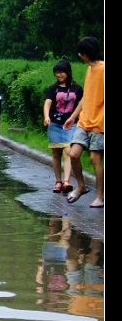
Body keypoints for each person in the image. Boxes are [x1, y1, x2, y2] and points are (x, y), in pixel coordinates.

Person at [65, 37, 104, 208]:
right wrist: (73, 116)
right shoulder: (89, 70)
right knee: (73, 155)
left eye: (81, 53)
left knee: (95, 159)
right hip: (84, 121)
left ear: (86, 54)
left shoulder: (103, 69)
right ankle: (81, 186)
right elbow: (85, 97)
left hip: (100, 123)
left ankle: (100, 197)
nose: (80, 56)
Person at [43, 60, 82, 194]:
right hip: (55, 124)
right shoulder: (53, 89)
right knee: (56, 153)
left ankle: (66, 182)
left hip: (71, 124)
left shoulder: (77, 88)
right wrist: (46, 116)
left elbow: (81, 105)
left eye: (61, 72)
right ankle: (58, 181)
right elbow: (48, 103)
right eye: (56, 72)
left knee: (68, 150)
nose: (58, 75)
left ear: (68, 72)